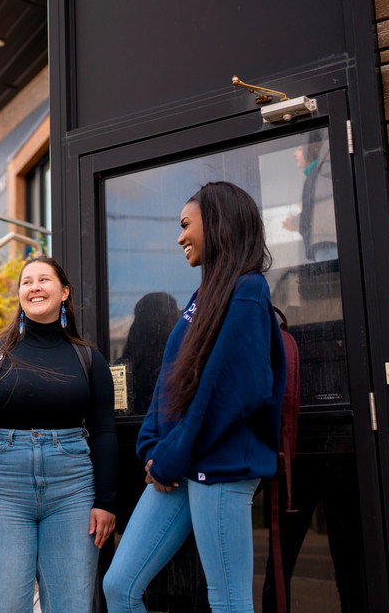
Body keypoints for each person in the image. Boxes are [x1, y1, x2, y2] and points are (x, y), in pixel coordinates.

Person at [103, 182, 287, 613]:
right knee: (120, 585)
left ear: (218, 222)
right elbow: (170, 380)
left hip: (219, 466)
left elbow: (229, 390)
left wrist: (173, 454)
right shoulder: (202, 295)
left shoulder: (248, 289)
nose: (180, 236)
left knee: (228, 601)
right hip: (180, 465)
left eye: (187, 225)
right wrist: (151, 446)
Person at [0, 255, 118, 612]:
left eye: (43, 280)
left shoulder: (89, 360)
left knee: (72, 605)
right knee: (3, 604)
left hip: (73, 490)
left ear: (64, 292)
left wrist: (106, 501)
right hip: (3, 488)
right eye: (26, 281)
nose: (34, 287)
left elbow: (104, 433)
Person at [282, 133, 338, 262]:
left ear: (311, 150)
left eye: (300, 149)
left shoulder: (319, 175)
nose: (294, 154)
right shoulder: (317, 174)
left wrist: (295, 222)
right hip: (326, 243)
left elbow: (321, 210)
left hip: (326, 244)